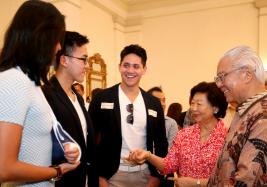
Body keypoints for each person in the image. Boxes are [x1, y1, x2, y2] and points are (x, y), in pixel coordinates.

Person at [0, 1, 79, 186]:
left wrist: (63, 148)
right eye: (56, 39)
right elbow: (4, 168)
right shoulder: (15, 80)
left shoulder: (29, 81)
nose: (59, 47)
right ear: (40, 37)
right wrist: (57, 171)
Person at [88, 44, 168, 187]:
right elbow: (90, 141)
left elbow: (161, 143)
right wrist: (99, 177)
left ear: (144, 69)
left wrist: (156, 177)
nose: (130, 71)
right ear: (119, 67)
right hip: (111, 176)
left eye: (136, 66)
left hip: (144, 175)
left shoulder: (153, 103)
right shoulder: (102, 99)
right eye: (126, 65)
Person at [128, 81, 228, 187]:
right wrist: (148, 155)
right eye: (192, 103)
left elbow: (229, 180)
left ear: (215, 108)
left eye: (199, 104)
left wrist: (196, 183)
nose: (193, 108)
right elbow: (168, 165)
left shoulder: (228, 137)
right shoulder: (184, 134)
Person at [208, 46, 267, 186]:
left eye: (222, 77)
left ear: (247, 74)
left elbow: (250, 180)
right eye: (217, 79)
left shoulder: (266, 118)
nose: (219, 84)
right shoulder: (249, 109)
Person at [42, 31, 98, 187]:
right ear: (64, 60)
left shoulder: (78, 97)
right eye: (83, 60)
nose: (87, 66)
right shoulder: (45, 95)